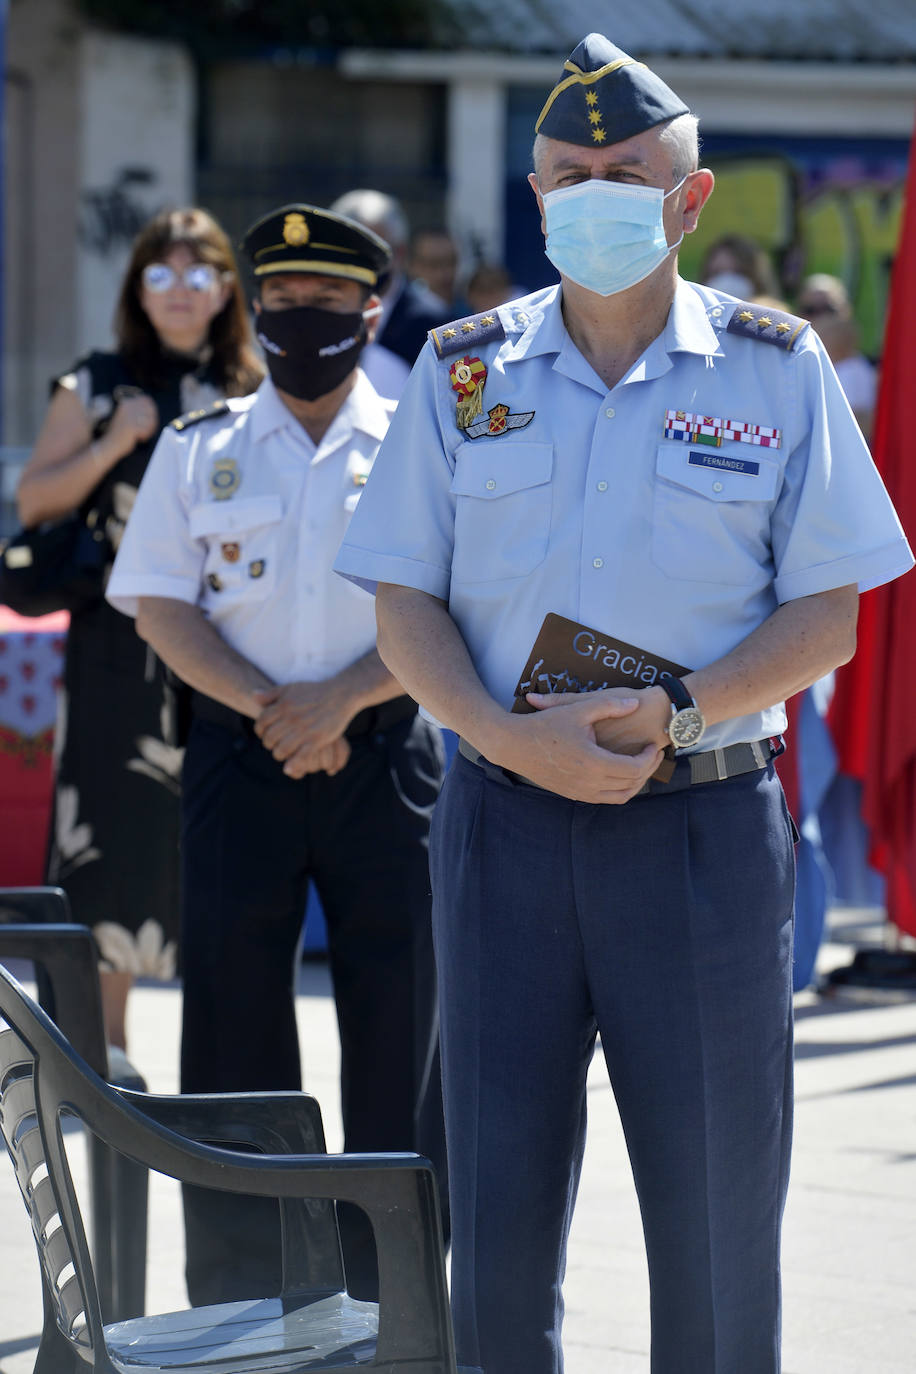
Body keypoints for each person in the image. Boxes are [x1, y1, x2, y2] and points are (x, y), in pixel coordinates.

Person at [334, 33, 913, 1374]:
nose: (595, 192)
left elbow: (831, 609)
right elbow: (403, 604)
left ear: (689, 198)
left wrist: (686, 709)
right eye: (569, 174)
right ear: (536, 199)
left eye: (627, 171)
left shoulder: (776, 370)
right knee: (495, 1213)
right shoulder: (461, 370)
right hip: (501, 826)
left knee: (716, 1230)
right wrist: (497, 731)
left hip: (700, 835)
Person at [106, 203, 447, 1306]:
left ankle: (393, 1305)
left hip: (390, 755)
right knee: (232, 1042)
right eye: (285, 302)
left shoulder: (423, 443)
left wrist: (340, 700)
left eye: (328, 302)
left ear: (370, 310)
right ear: (258, 309)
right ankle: (247, 1304)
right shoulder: (195, 447)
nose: (305, 319)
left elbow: (463, 605)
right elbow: (158, 602)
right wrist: (273, 708)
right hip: (239, 759)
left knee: (401, 1038)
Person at [15, 206, 262, 1051]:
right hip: (117, 644)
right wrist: (112, 440)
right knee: (111, 835)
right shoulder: (95, 382)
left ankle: (221, 1048)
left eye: (200, 274)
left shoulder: (251, 385)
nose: (181, 292)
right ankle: (106, 1052)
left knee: (223, 827)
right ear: (137, 288)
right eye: (162, 274)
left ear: (227, 288)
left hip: (231, 637)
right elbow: (34, 500)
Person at [330, 188, 448, 363]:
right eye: (348, 252)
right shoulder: (320, 313)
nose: (359, 265)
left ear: (400, 252)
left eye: (371, 253)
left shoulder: (434, 323)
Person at [798, 273, 877, 441]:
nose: (821, 317)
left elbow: (857, 428)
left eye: (828, 309)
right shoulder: (790, 359)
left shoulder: (855, 370)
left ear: (844, 311)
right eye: (810, 309)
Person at [699, 230, 780, 301]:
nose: (727, 283)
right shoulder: (693, 314)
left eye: (737, 273)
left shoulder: (773, 315)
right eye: (718, 273)